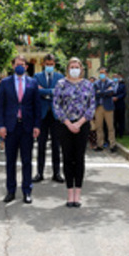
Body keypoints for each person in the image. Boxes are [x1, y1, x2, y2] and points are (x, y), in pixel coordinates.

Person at [0, 56, 40, 204]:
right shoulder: (5, 83)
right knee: (10, 161)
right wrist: (0, 125)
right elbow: (0, 106)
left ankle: (27, 191)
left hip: (26, 127)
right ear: (13, 66)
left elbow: (36, 107)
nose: (20, 66)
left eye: (23, 64)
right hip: (10, 127)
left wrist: (37, 125)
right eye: (17, 64)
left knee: (27, 160)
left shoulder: (33, 82)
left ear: (26, 67)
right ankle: (10, 191)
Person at [54, 57, 96, 208]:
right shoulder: (60, 84)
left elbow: (91, 106)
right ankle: (69, 193)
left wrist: (79, 122)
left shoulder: (88, 85)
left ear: (81, 68)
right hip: (65, 125)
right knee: (67, 157)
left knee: (79, 158)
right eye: (72, 66)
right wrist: (68, 123)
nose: (74, 69)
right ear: (68, 68)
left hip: (82, 124)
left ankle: (77, 194)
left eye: (77, 66)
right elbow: (56, 106)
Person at [34, 54, 65, 183]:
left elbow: (61, 92)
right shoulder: (37, 77)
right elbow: (36, 91)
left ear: (54, 64)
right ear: (43, 64)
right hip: (41, 115)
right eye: (47, 64)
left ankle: (56, 173)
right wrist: (52, 91)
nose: (49, 66)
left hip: (55, 115)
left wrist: (46, 91)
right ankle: (39, 173)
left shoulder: (60, 77)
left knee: (56, 146)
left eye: (52, 64)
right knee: (41, 145)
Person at [92, 67, 118, 152]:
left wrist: (101, 92)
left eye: (103, 73)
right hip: (98, 107)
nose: (102, 74)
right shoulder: (96, 83)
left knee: (110, 127)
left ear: (107, 74)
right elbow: (94, 93)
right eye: (100, 73)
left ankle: (112, 145)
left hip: (108, 107)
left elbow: (112, 92)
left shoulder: (111, 82)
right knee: (99, 127)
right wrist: (105, 92)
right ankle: (100, 145)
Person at [112, 73, 127, 139]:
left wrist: (117, 97)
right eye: (114, 77)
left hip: (120, 104)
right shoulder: (110, 85)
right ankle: (114, 133)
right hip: (112, 105)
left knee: (121, 120)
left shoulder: (122, 85)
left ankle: (121, 133)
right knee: (114, 120)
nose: (115, 78)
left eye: (116, 77)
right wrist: (112, 98)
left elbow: (124, 94)